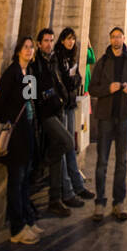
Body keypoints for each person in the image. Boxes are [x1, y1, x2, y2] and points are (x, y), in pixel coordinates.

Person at [0, 34, 43, 244]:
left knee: (24, 181)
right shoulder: (12, 74)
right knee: (16, 181)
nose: (29, 50)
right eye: (26, 47)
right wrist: (9, 121)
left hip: (28, 132)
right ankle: (17, 228)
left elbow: (31, 102)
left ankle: (28, 220)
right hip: (15, 136)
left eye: (31, 48)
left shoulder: (29, 73)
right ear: (18, 51)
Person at [88, 26, 127, 221]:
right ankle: (100, 203)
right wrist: (107, 89)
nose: (116, 40)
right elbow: (92, 88)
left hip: (123, 117)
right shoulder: (102, 63)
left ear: (123, 39)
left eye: (119, 37)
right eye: (113, 37)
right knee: (102, 161)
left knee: (122, 162)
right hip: (105, 118)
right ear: (110, 40)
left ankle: (119, 202)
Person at [33, 28, 76, 216]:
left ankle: (55, 199)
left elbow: (60, 82)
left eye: (51, 40)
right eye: (45, 41)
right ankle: (42, 164)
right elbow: (30, 94)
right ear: (39, 43)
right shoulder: (35, 64)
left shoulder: (53, 61)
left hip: (57, 109)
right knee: (67, 142)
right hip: (45, 114)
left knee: (59, 152)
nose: (49, 43)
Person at [54, 27, 95, 206]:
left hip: (70, 105)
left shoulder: (71, 58)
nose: (71, 42)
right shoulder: (57, 59)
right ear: (62, 40)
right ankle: (66, 190)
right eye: (68, 39)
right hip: (60, 108)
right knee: (65, 146)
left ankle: (77, 186)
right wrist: (70, 84)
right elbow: (62, 83)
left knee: (71, 146)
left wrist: (73, 81)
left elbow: (76, 78)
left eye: (73, 39)